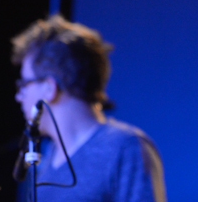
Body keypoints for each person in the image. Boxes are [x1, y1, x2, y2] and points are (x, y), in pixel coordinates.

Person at [11, 15, 166, 202]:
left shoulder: (124, 148)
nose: (19, 96)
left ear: (49, 88)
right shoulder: (46, 160)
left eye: (24, 84)